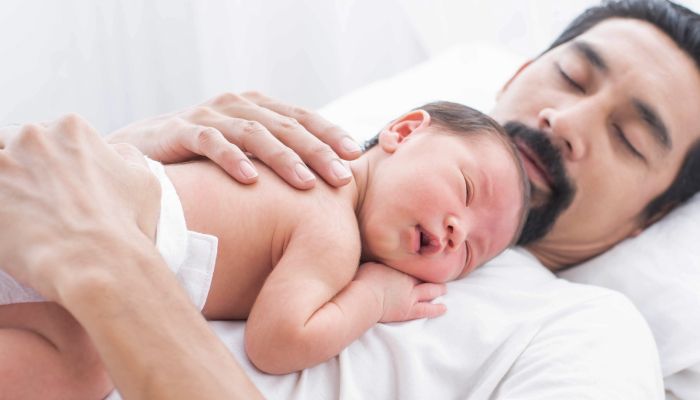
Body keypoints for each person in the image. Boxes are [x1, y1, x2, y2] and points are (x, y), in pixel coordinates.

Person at [1, 0, 698, 398]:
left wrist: (108, 267)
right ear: (518, 72)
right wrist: (133, 148)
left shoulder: (591, 333)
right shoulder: (316, 160)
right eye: (573, 77)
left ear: (651, 219)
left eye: (631, 139)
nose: (567, 125)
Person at [0, 103, 528, 397]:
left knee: (75, 357)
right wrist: (372, 299)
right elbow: (277, 341)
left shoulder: (294, 159)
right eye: (464, 188)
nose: (459, 232)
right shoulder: (332, 230)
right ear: (404, 131)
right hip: (96, 217)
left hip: (63, 213)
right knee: (81, 373)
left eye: (470, 255)